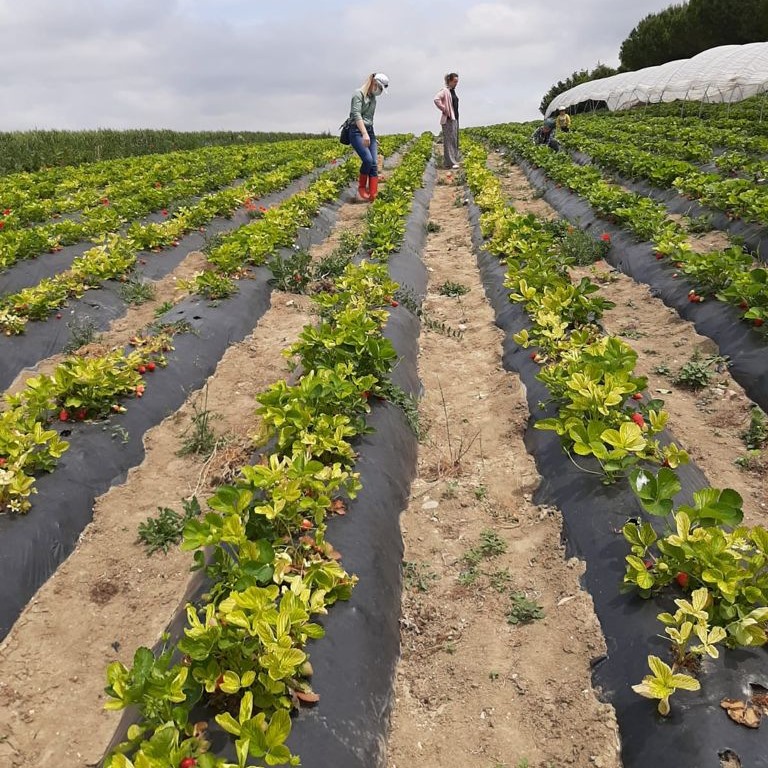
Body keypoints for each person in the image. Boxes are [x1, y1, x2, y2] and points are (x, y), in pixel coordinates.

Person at [349, 72, 389, 202]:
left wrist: (371, 135)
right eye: (380, 88)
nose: (380, 91)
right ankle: (361, 188)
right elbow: (357, 115)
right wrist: (365, 133)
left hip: (369, 131)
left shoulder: (373, 99)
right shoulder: (358, 94)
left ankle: (373, 194)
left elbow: (369, 119)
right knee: (367, 160)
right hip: (356, 131)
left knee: (374, 165)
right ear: (374, 83)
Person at [434, 72, 460, 168]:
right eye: (454, 81)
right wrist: (445, 109)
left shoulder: (452, 91)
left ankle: (452, 161)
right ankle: (450, 163)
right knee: (449, 141)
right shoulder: (445, 91)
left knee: (454, 140)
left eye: (457, 81)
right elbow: (436, 99)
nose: (456, 83)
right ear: (449, 81)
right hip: (448, 119)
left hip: (455, 118)